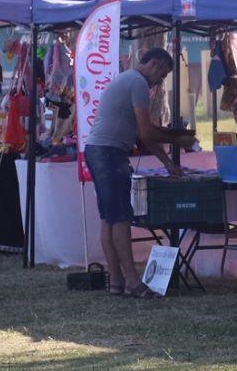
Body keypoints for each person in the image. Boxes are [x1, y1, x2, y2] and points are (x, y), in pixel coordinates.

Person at [84, 47, 197, 298]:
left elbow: (141, 131)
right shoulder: (137, 83)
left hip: (98, 150)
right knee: (121, 217)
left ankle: (116, 281)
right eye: (163, 74)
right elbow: (147, 132)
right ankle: (133, 281)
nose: (161, 81)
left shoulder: (127, 80)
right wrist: (179, 138)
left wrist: (167, 162)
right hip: (109, 153)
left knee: (110, 218)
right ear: (153, 64)